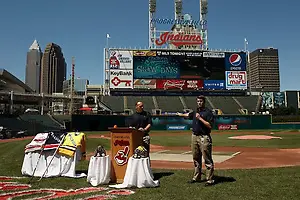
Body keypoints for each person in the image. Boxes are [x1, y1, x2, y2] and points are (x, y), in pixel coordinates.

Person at [176, 95, 215, 186]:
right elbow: (188, 115)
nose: (199, 103)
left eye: (201, 101)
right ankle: (196, 177)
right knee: (196, 158)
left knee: (207, 159)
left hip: (204, 137)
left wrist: (200, 118)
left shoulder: (208, 112)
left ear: (204, 102)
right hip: (194, 136)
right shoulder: (195, 111)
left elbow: (210, 125)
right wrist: (180, 114)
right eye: (198, 101)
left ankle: (209, 179)